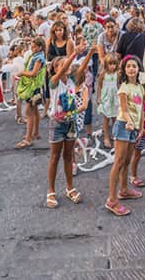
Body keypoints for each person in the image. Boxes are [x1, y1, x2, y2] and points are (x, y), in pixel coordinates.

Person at [44, 46, 90, 209]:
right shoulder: (54, 82)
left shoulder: (72, 80)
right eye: (62, 64)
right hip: (56, 124)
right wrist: (74, 54)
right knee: (55, 157)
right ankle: (51, 190)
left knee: (69, 156)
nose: (67, 66)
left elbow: (82, 68)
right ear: (56, 68)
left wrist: (89, 53)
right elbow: (64, 67)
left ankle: (70, 188)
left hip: (70, 123)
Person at [106, 56, 145, 216]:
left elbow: (141, 109)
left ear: (138, 69)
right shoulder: (124, 88)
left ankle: (123, 190)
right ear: (124, 70)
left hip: (133, 128)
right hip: (123, 126)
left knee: (127, 160)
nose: (131, 69)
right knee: (119, 161)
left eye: (134, 66)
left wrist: (141, 128)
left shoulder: (140, 88)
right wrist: (130, 123)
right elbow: (124, 108)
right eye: (128, 66)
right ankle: (112, 199)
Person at [15, 37, 47, 148]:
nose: (32, 48)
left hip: (33, 88)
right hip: (37, 87)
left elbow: (33, 73)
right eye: (31, 46)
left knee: (29, 112)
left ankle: (28, 138)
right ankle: (35, 133)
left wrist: (22, 73)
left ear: (40, 47)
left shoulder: (38, 58)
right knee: (35, 110)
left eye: (34, 47)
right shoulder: (37, 56)